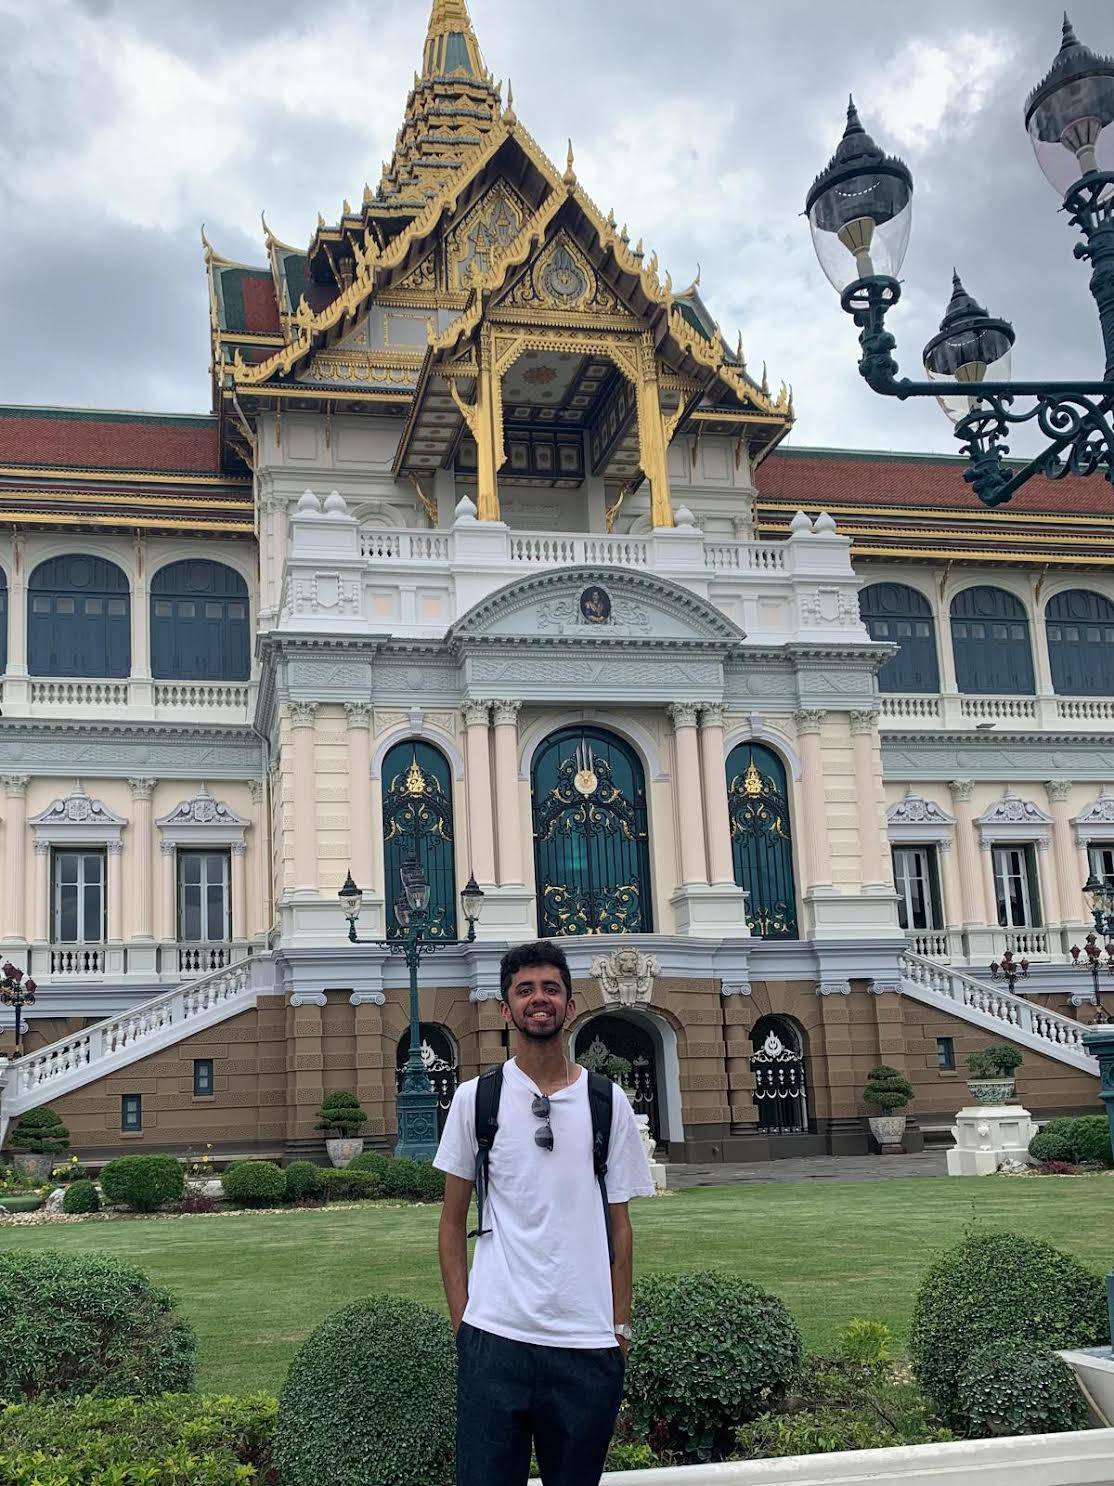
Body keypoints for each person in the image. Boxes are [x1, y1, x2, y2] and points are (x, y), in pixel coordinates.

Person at [435, 939, 655, 1486]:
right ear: (505, 1008)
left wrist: (619, 1327)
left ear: (570, 1005)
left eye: (551, 988)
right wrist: (464, 1323)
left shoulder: (607, 1102)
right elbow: (450, 1223)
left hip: (586, 1343)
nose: (539, 999)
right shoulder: (475, 1099)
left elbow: (620, 1226)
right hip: (496, 1338)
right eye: (525, 989)